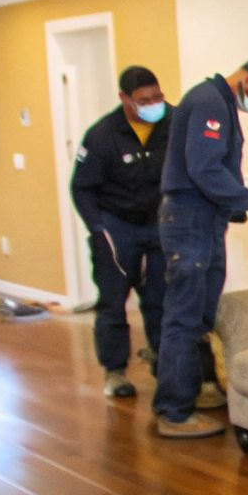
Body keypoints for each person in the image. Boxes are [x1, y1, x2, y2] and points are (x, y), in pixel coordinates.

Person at [152, 57, 248, 438]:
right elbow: (204, 167)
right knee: (184, 315)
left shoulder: (221, 103)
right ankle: (174, 412)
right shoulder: (209, 101)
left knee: (202, 313)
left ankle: (193, 391)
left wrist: (232, 205)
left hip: (205, 217)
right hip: (189, 218)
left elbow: (217, 169)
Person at [70, 66, 171, 398]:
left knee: (160, 298)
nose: (154, 104)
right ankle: (115, 372)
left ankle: (162, 361)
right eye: (144, 99)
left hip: (158, 224)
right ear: (124, 99)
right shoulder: (102, 135)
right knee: (113, 303)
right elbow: (81, 188)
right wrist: (98, 228)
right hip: (117, 227)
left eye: (158, 96)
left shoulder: (172, 122)